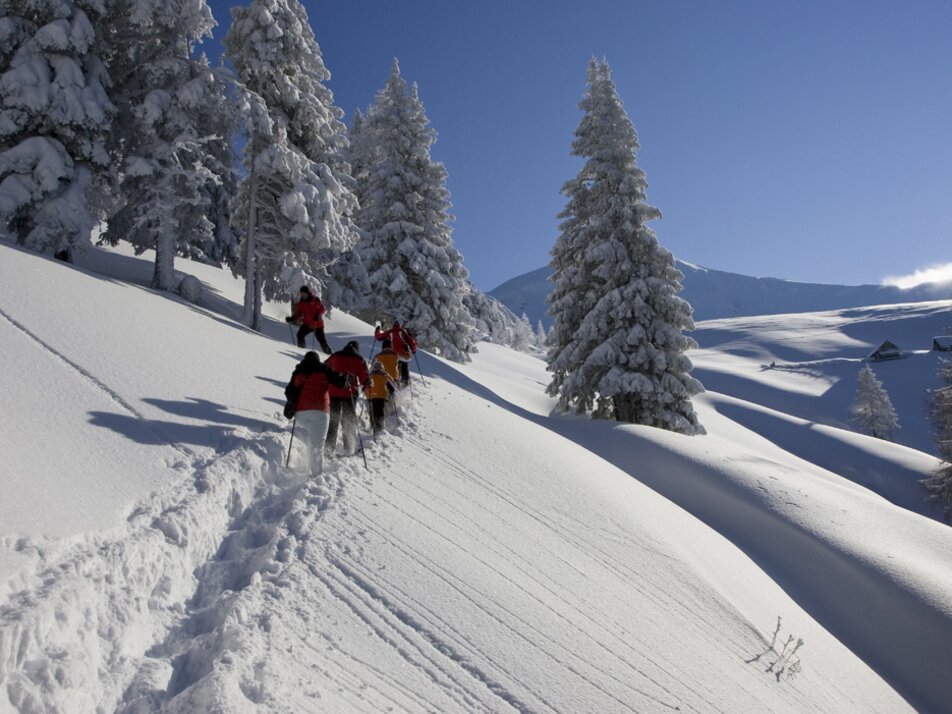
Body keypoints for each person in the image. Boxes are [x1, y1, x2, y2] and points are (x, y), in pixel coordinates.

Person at [284, 351, 349, 477]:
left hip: (300, 413)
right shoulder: (323, 369)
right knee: (318, 445)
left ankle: (310, 466)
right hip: (320, 411)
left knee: (314, 438)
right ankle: (316, 477)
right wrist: (347, 378)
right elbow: (340, 381)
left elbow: (289, 391)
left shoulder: (299, 371)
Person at [325, 340, 369, 457]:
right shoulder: (359, 359)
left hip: (333, 393)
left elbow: (325, 367)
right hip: (349, 394)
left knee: (333, 421)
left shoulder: (335, 355)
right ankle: (349, 448)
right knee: (348, 421)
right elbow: (365, 378)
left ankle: (328, 449)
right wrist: (366, 385)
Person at [286, 286, 332, 354]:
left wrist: (318, 315)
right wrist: (292, 318)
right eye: (301, 293)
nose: (302, 295)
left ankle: (329, 354)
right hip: (307, 324)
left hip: (317, 325)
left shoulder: (315, 300)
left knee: (322, 341)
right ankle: (301, 350)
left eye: (304, 293)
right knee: (300, 335)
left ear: (307, 293)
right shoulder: (301, 303)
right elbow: (298, 314)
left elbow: (322, 309)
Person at [374, 321, 417, 387]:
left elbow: (378, 337)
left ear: (393, 325)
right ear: (400, 325)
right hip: (403, 355)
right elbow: (412, 342)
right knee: (404, 366)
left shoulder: (389, 332)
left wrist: (377, 330)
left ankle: (394, 382)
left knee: (393, 368)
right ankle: (404, 383)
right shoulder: (403, 332)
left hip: (392, 355)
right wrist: (413, 350)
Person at [365, 361, 397, 434]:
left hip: (371, 396)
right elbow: (394, 387)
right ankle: (380, 428)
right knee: (381, 411)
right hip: (382, 397)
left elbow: (364, 386)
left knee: (372, 411)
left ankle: (373, 427)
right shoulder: (385, 375)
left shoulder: (369, 375)